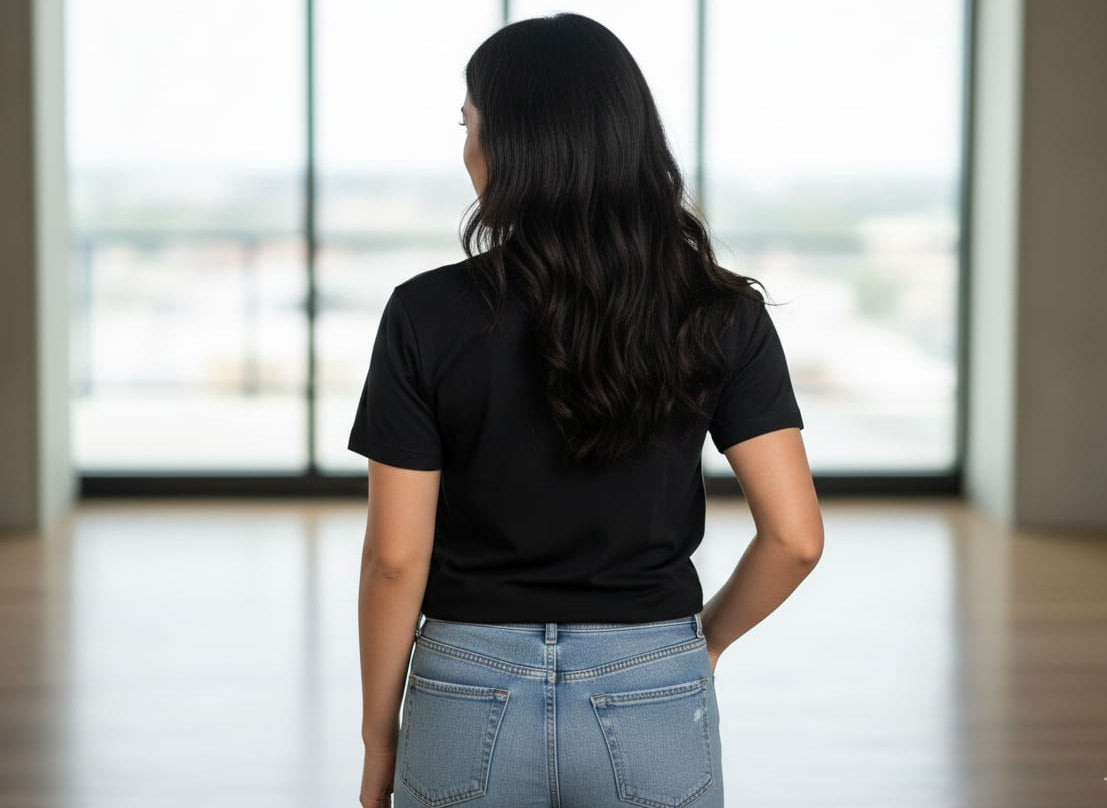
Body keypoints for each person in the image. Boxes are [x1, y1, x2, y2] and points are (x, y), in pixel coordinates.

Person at [348, 12, 823, 808]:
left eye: (470, 125)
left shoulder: (424, 313)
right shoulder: (721, 311)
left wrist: (377, 736)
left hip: (466, 685)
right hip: (652, 673)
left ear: (513, 145)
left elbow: (396, 559)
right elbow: (795, 538)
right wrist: (696, 646)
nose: (466, 149)